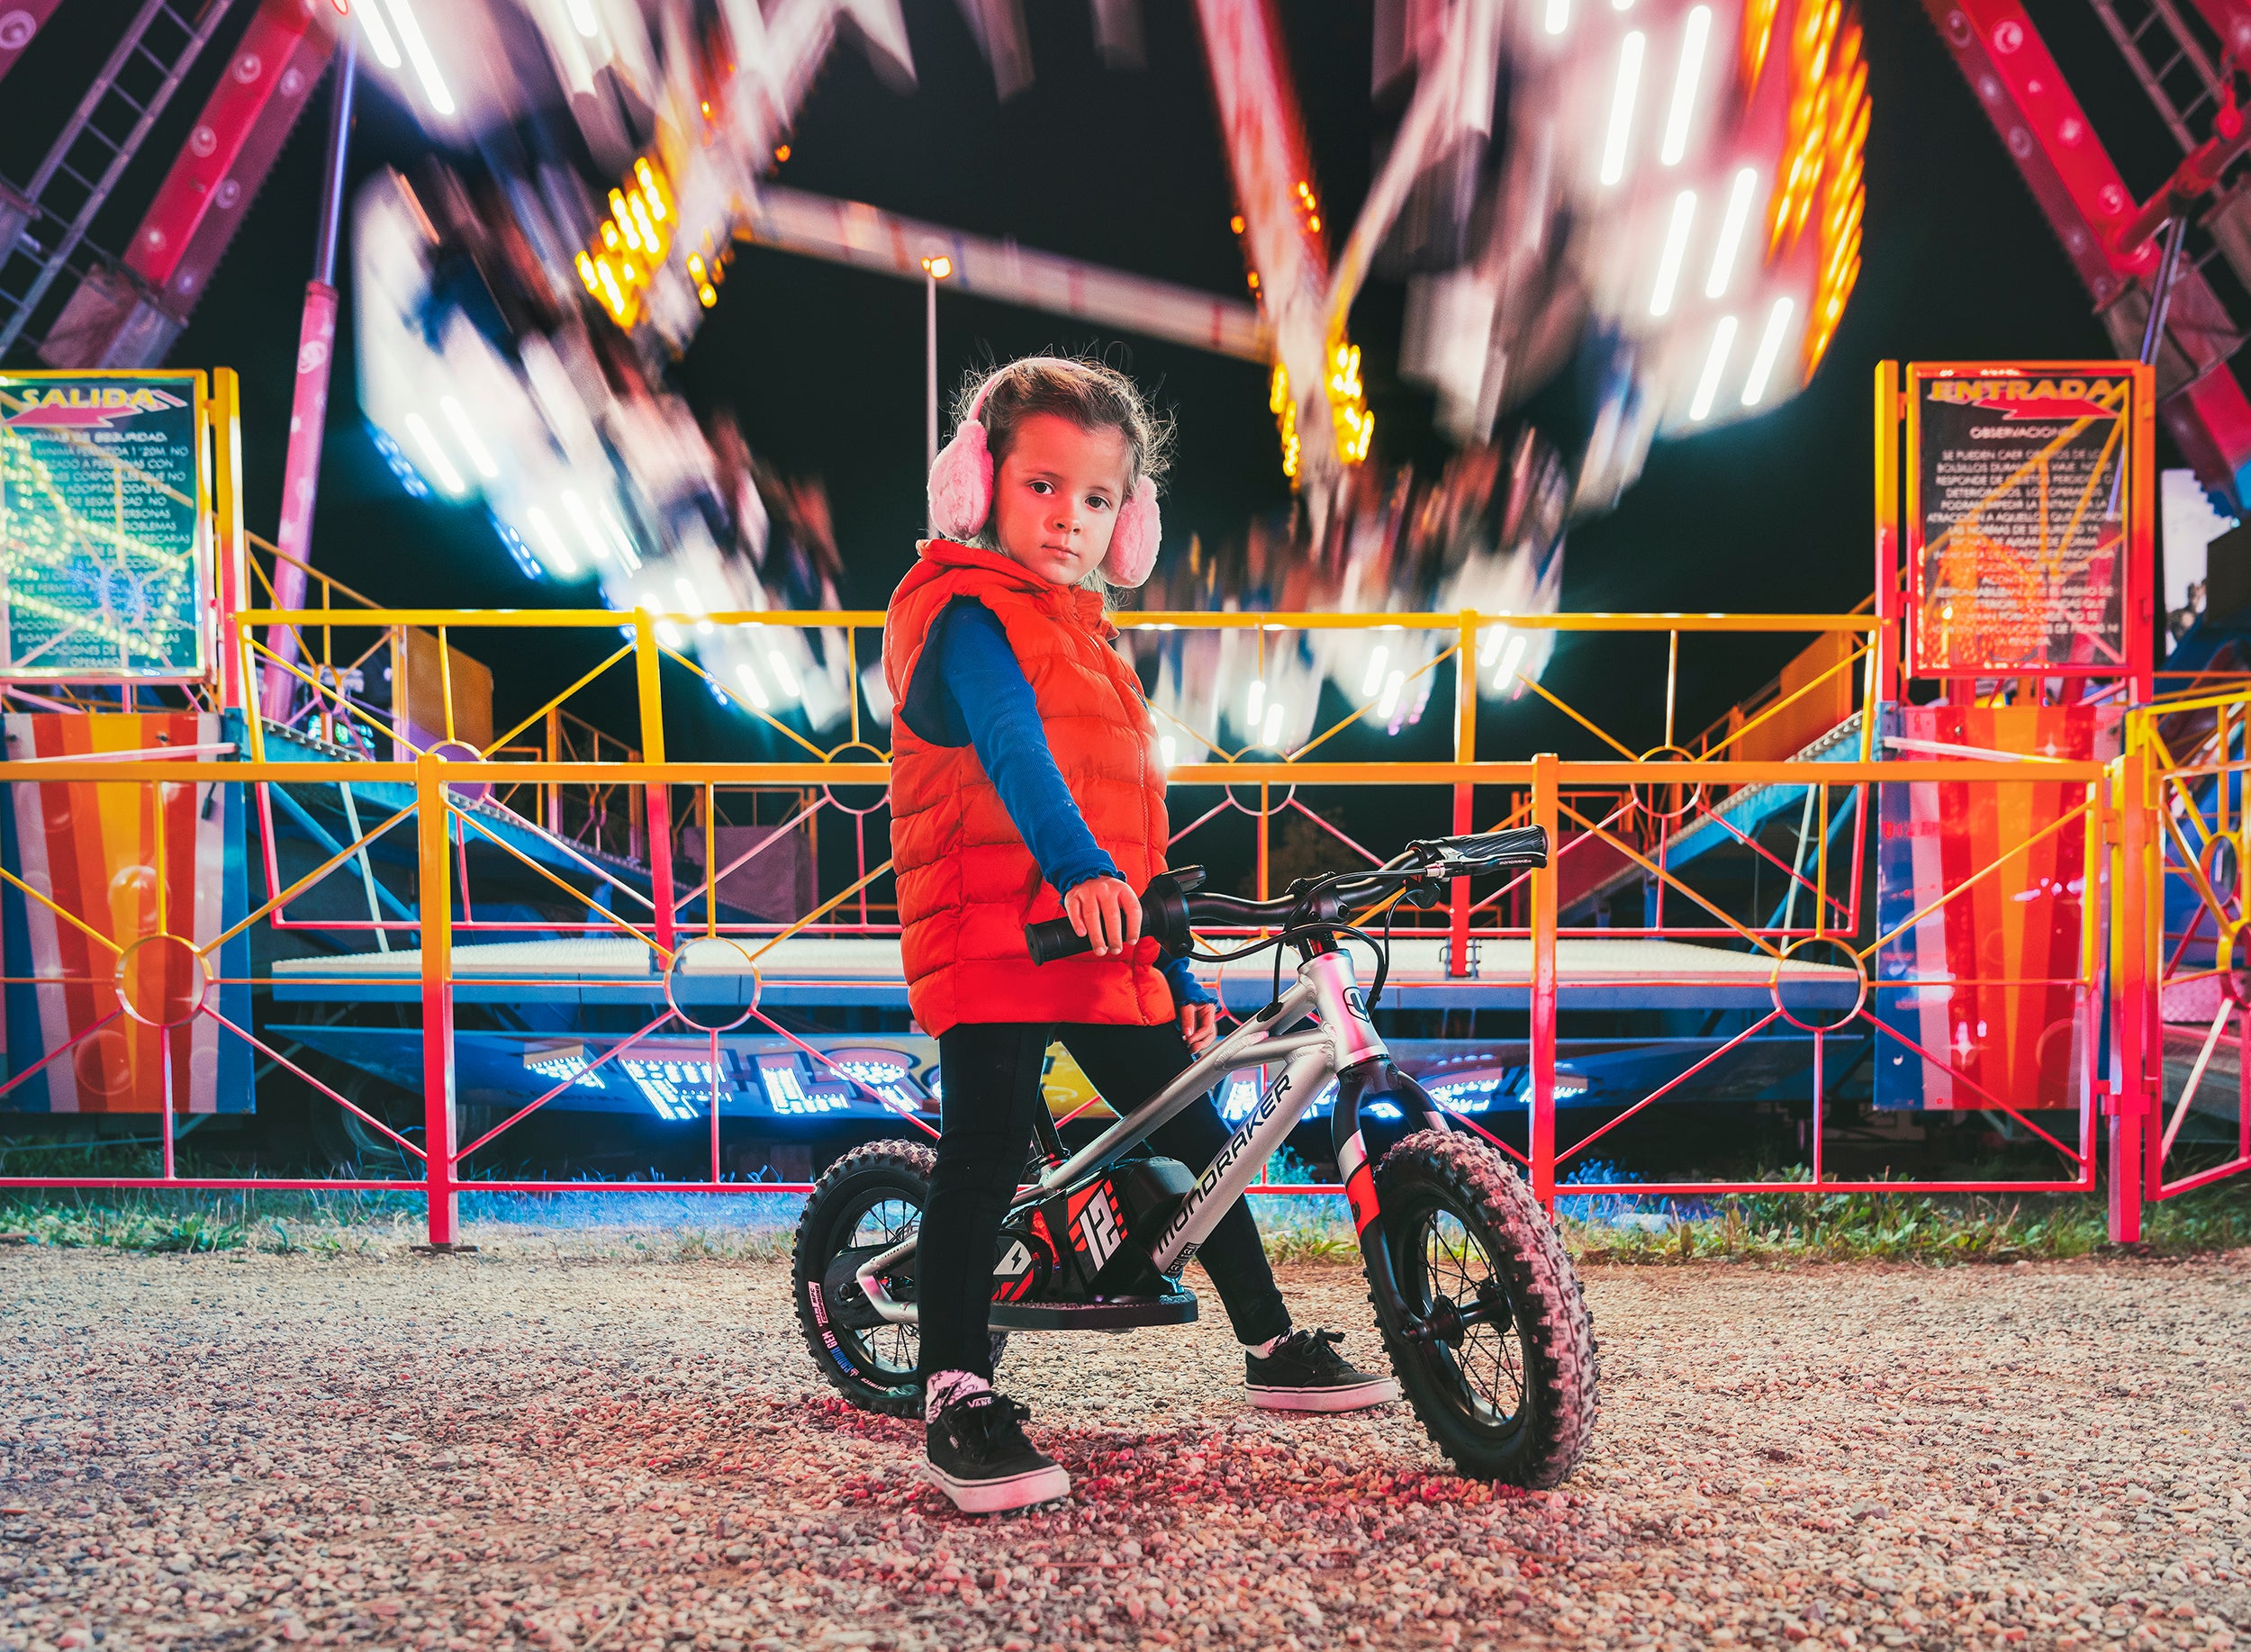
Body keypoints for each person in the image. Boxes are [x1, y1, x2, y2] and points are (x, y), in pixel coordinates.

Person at [883, 357, 1398, 1517]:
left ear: (1132, 519)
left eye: (1100, 499)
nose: (1070, 518)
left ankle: (1269, 1348)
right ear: (983, 486)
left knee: (1192, 1126)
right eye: (1044, 486)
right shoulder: (962, 610)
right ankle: (956, 1386)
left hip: (1099, 934)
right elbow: (1013, 750)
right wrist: (1076, 873)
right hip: (993, 931)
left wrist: (1172, 967)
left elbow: (1140, 815)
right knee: (986, 1142)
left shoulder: (1093, 638)